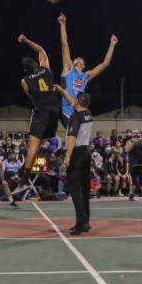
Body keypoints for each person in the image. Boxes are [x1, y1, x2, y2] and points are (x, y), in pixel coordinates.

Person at [57, 13, 118, 128]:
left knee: (80, 142)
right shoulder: (68, 68)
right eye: (76, 58)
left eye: (81, 59)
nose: (78, 59)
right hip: (67, 111)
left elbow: (105, 64)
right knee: (73, 138)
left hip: (80, 112)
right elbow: (64, 45)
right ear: (73, 62)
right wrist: (63, 24)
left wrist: (112, 45)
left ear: (84, 65)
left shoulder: (86, 76)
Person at [18, 34, 60, 176]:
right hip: (54, 110)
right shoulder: (45, 68)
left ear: (25, 70)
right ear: (36, 64)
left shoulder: (24, 81)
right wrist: (26, 40)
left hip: (41, 111)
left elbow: (30, 96)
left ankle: (24, 174)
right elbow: (41, 51)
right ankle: (26, 166)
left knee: (33, 144)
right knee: (44, 140)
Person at [56, 86, 94, 235]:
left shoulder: (75, 117)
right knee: (84, 189)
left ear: (78, 101)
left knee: (73, 188)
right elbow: (73, 102)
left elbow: (72, 138)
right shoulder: (88, 114)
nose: (73, 100)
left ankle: (82, 223)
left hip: (77, 153)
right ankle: (85, 221)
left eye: (75, 99)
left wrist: (67, 158)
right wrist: (62, 92)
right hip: (87, 153)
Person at [125, 130, 142, 201]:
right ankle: (131, 195)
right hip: (133, 164)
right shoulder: (129, 141)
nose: (136, 134)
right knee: (132, 181)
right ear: (132, 134)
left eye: (137, 133)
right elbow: (127, 150)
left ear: (139, 134)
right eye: (134, 133)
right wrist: (134, 143)